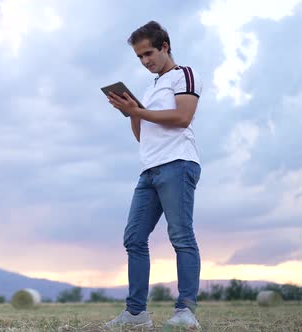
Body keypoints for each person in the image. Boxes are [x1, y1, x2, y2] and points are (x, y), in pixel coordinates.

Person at [104, 21, 203, 329]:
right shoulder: (150, 87)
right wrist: (131, 112)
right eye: (139, 57)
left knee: (181, 236)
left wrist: (139, 111)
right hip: (148, 170)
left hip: (178, 163)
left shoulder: (183, 75)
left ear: (165, 46)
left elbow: (182, 117)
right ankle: (136, 315)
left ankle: (185, 313)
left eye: (148, 53)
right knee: (133, 238)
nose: (145, 61)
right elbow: (142, 135)